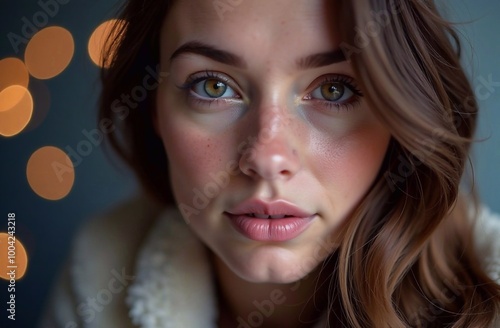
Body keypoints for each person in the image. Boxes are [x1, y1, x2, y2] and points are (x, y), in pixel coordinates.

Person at [40, 0, 500, 327]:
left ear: (400, 117)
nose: (267, 158)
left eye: (333, 90)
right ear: (154, 109)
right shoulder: (96, 281)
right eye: (213, 87)